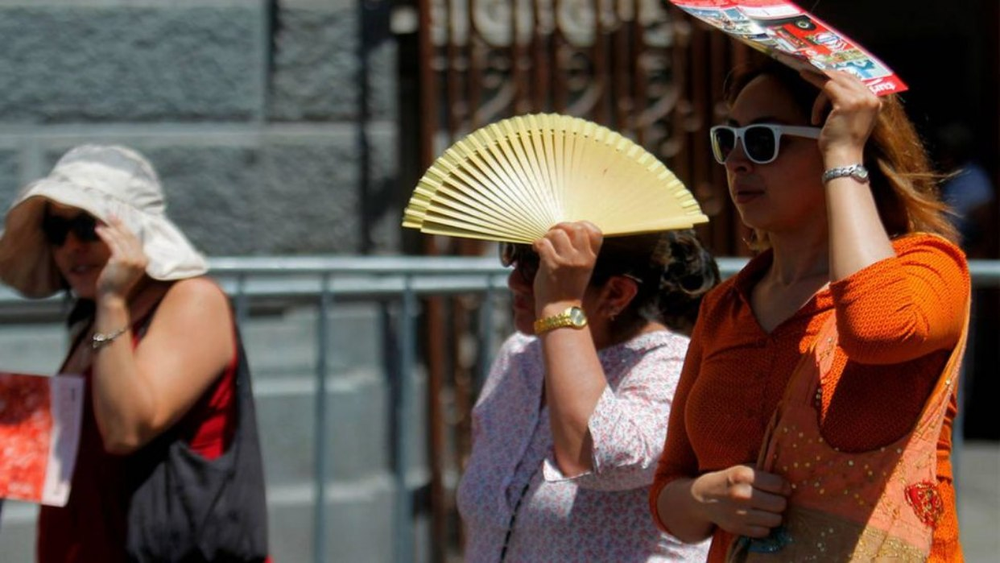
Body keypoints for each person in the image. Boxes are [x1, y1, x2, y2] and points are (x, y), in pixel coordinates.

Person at [650, 62, 970, 562]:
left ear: (845, 140)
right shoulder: (726, 305)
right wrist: (705, 498)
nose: (737, 161)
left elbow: (878, 329)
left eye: (763, 140)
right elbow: (670, 488)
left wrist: (842, 157)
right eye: (728, 140)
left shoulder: (928, 267)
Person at [0, 145, 269, 562]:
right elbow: (67, 445)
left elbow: (126, 429)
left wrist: (112, 301)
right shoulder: (96, 326)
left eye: (87, 227)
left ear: (133, 234)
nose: (71, 246)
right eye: (57, 230)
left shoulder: (191, 301)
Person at [456, 223, 720, 561]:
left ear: (616, 294)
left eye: (537, 267)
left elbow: (598, 459)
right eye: (514, 256)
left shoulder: (672, 366)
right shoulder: (520, 357)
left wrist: (560, 305)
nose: (515, 281)